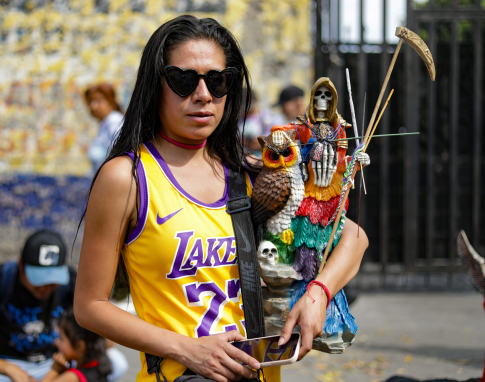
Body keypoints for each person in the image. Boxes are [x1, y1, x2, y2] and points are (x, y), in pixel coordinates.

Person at [74, 15, 368, 382]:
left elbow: (353, 236)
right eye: (183, 80)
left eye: (218, 80)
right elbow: (90, 306)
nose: (203, 95)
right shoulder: (128, 178)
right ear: (155, 85)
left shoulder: (251, 175)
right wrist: (187, 349)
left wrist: (318, 294)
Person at [0, 229, 128, 382]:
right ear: (21, 265)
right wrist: (9, 369)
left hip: (57, 363)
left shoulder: (70, 281)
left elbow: (105, 341)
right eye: (38, 281)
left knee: (117, 362)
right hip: (3, 369)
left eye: (52, 281)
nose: (45, 288)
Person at [41, 309, 112, 382]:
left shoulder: (73, 377)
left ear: (79, 346)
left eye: (61, 338)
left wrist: (54, 370)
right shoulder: (98, 363)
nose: (56, 342)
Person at [84, 84, 124, 174]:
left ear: (110, 102)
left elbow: (119, 158)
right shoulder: (105, 123)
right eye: (90, 101)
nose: (93, 106)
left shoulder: (114, 122)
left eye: (98, 101)